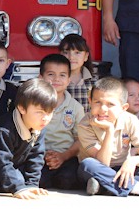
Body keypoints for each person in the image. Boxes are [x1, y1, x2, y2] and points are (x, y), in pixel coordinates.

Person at [77, 77, 139, 198]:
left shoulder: (130, 120)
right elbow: (102, 162)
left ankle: (106, 187)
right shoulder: (85, 124)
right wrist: (109, 131)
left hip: (124, 169)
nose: (103, 109)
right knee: (87, 165)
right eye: (97, 102)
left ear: (123, 108)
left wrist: (132, 161)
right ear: (90, 101)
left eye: (110, 104)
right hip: (99, 169)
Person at [37, 54, 85, 190]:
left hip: (68, 156)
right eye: (51, 74)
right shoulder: (34, 105)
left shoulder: (76, 107)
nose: (57, 79)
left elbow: (81, 140)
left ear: (69, 80)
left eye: (62, 75)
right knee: (39, 181)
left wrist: (63, 156)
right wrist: (43, 155)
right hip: (39, 157)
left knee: (67, 181)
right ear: (40, 78)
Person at [59, 33, 95, 112]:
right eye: (66, 52)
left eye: (77, 52)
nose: (71, 57)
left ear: (86, 56)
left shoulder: (95, 82)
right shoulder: (56, 81)